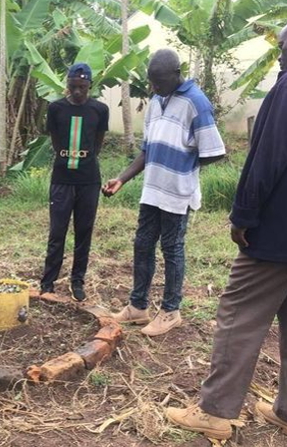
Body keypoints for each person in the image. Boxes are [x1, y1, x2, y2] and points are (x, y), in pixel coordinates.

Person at [163, 13, 287, 441]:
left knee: (239, 314)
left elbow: (267, 159)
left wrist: (243, 216)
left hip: (280, 232)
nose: (279, 53)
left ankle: (215, 412)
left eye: (283, 42)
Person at [104, 49, 228, 337]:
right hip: (153, 190)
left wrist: (184, 162)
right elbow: (147, 150)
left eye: (159, 82)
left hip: (177, 191)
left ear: (176, 74)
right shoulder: (157, 101)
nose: (154, 88)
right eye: (151, 82)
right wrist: (122, 178)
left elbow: (214, 151)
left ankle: (171, 311)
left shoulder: (196, 103)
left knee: (172, 249)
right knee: (142, 243)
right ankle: (138, 307)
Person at [41, 63, 110, 302]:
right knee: (57, 232)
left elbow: (98, 143)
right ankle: (47, 283)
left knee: (84, 232)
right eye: (73, 87)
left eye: (82, 87)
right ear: (66, 86)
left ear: (90, 85)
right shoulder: (56, 108)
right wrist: (67, 158)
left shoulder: (100, 110)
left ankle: (77, 280)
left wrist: (84, 159)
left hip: (89, 180)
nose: (78, 92)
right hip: (62, 179)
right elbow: (55, 141)